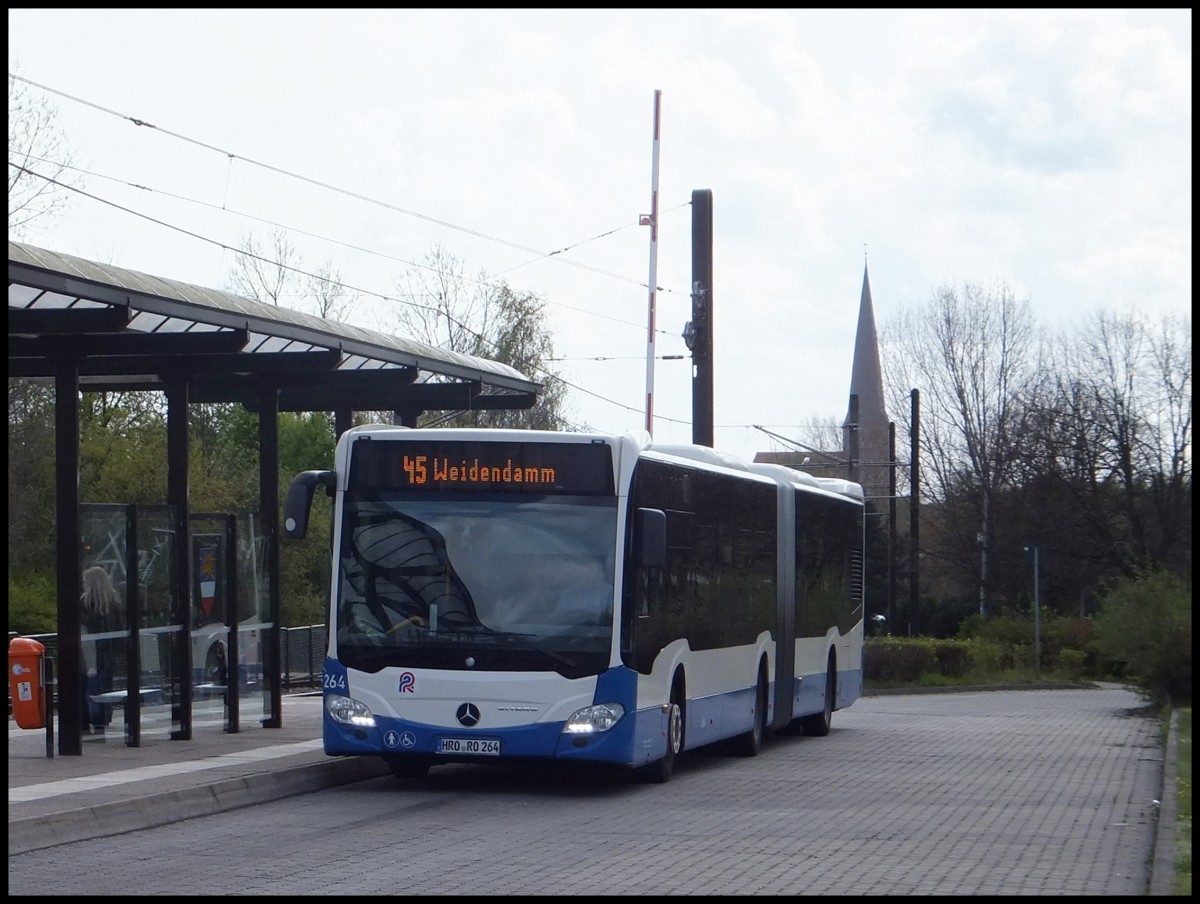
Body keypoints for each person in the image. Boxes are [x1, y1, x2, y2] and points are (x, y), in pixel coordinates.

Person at [80, 565, 122, 734]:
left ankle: (88, 721)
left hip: (88, 655)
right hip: (107, 655)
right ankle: (102, 720)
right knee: (105, 688)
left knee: (86, 689)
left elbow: (84, 633)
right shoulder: (113, 603)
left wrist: (90, 662)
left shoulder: (85, 604)